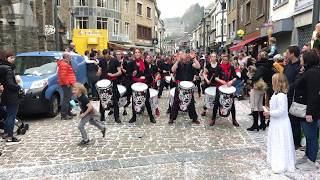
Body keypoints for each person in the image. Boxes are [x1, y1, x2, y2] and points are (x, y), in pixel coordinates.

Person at [293, 50, 320, 171]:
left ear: (307, 59)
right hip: (305, 109)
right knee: (309, 135)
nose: (300, 59)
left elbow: (313, 95)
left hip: (309, 111)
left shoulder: (313, 73)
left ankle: (311, 160)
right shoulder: (307, 71)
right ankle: (307, 156)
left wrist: (310, 113)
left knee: (311, 136)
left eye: (302, 57)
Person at [263, 73, 295, 174]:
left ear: (277, 83)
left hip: (281, 124)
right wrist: (269, 109)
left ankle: (281, 163)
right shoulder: (276, 93)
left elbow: (282, 111)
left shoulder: (281, 96)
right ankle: (275, 159)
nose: (271, 83)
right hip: (276, 123)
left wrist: (269, 113)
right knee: (276, 141)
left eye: (273, 81)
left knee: (280, 142)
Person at [169, 51, 201, 125]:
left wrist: (194, 58)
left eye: (186, 57)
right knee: (176, 102)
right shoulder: (178, 64)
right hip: (179, 85)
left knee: (191, 102)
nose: (185, 59)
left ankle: (194, 118)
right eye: (183, 57)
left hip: (189, 86)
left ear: (188, 58)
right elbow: (172, 70)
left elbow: (198, 66)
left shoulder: (190, 63)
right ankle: (172, 118)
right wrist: (177, 61)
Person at [209, 54, 239, 127]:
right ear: (222, 60)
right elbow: (215, 77)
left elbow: (235, 77)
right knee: (216, 103)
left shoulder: (231, 67)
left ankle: (234, 119)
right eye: (224, 60)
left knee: (232, 104)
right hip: (220, 87)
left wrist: (231, 81)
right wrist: (221, 81)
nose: (225, 61)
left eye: (226, 60)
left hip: (228, 88)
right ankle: (213, 119)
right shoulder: (218, 67)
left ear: (228, 60)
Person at [129, 48, 156, 124]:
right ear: (134, 54)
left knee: (147, 101)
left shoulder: (145, 63)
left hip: (144, 84)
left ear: (140, 54)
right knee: (134, 101)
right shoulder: (131, 63)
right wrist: (132, 74)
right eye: (136, 52)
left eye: (138, 52)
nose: (137, 53)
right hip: (135, 85)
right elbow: (128, 74)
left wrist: (145, 77)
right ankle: (134, 117)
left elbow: (149, 74)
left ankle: (151, 117)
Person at [0, 51, 21, 143]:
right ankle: (10, 136)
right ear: (6, 59)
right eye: (11, 57)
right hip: (11, 95)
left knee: (8, 115)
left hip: (5, 94)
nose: (13, 59)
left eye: (13, 57)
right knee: (11, 116)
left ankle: (5, 134)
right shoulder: (8, 69)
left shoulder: (2, 67)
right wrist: (18, 87)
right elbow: (9, 83)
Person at [97, 49, 122, 123]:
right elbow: (100, 69)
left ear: (109, 54)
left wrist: (113, 75)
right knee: (102, 99)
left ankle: (116, 117)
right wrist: (98, 72)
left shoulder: (115, 61)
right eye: (104, 56)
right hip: (103, 82)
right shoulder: (101, 61)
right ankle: (102, 116)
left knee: (115, 100)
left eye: (107, 55)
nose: (105, 57)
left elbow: (120, 72)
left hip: (113, 82)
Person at [284, 45, 302, 149]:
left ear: (292, 54)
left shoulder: (299, 66)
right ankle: (290, 139)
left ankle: (296, 142)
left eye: (287, 52)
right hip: (286, 94)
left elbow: (297, 82)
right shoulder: (288, 65)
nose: (285, 54)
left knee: (294, 119)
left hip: (294, 96)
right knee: (288, 119)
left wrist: (289, 88)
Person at [247, 65, 267, 131]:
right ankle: (263, 123)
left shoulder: (253, 75)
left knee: (255, 106)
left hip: (256, 89)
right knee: (260, 106)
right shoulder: (259, 73)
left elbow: (250, 80)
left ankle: (255, 125)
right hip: (262, 89)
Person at [57, 52, 77, 120]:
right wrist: (67, 83)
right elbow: (63, 76)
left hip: (68, 83)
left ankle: (68, 112)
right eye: (70, 56)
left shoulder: (65, 63)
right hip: (66, 84)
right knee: (66, 99)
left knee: (68, 98)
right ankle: (64, 114)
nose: (71, 58)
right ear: (66, 57)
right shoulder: (64, 64)